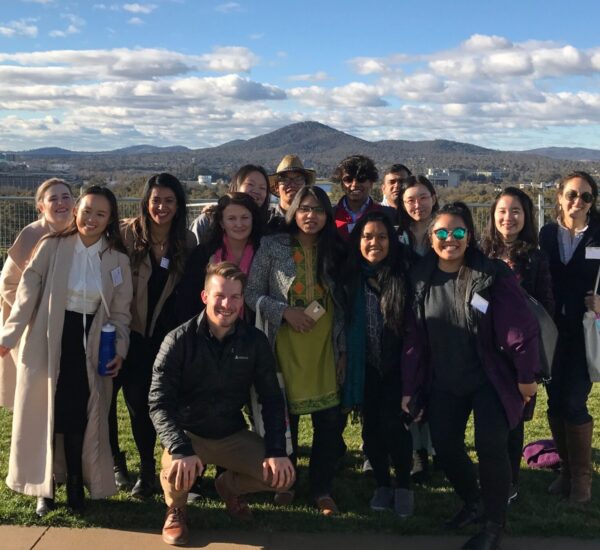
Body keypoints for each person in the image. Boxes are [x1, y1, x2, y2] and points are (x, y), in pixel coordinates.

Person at [401, 202, 539, 550]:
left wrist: (526, 376)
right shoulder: (421, 278)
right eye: (442, 233)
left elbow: (518, 328)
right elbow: (415, 339)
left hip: (489, 378)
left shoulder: (490, 274)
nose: (451, 239)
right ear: (431, 238)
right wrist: (410, 387)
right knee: (446, 446)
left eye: (459, 232)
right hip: (446, 378)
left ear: (470, 235)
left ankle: (494, 525)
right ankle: (474, 500)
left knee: (490, 446)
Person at [0, 186, 132, 516]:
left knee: (77, 417)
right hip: (47, 339)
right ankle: (45, 488)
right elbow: (25, 299)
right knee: (47, 413)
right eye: (87, 210)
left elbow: (121, 314)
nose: (91, 218)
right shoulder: (51, 247)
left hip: (90, 346)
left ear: (110, 219)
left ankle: (75, 481)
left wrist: (118, 349)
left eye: (100, 214)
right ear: (77, 210)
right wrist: (7, 338)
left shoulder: (117, 259)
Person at [149, 262, 295, 546]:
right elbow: (159, 402)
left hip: (231, 434)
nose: (227, 304)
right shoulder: (178, 340)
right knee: (177, 471)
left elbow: (272, 400)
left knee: (282, 477)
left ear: (243, 300)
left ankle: (228, 487)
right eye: (220, 296)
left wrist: (277, 450)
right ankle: (176, 509)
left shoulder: (255, 341)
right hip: (189, 435)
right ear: (205, 297)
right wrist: (179, 447)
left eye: (235, 297)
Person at [245, 185, 346, 515]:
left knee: (329, 423)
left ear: (327, 214)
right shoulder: (272, 246)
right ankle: (285, 482)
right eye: (304, 209)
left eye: (318, 209)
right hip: (283, 344)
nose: (310, 215)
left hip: (325, 346)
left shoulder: (336, 248)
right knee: (283, 420)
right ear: (292, 212)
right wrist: (284, 312)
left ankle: (322, 488)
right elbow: (251, 293)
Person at [113, 172, 195, 497]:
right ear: (146, 202)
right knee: (133, 403)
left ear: (178, 205)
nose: (161, 206)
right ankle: (143, 471)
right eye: (156, 200)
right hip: (128, 333)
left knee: (159, 404)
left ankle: (165, 468)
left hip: (164, 338)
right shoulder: (124, 234)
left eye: (169, 200)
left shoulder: (186, 242)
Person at [481, 187, 554, 503]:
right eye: (502, 210)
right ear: (493, 215)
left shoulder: (535, 258)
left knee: (513, 422)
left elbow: (545, 307)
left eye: (515, 211)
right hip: (484, 351)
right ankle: (490, 477)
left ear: (526, 217)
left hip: (520, 357)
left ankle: (509, 481)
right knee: (487, 421)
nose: (507, 217)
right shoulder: (480, 253)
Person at [342, 211, 414, 516]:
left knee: (395, 427)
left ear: (392, 241)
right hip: (364, 367)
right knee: (371, 429)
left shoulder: (403, 274)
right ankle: (383, 484)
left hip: (398, 366)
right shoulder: (349, 276)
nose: (374, 243)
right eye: (367, 236)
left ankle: (404, 485)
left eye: (382, 237)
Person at [539, 171, 600, 505]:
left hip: (584, 331)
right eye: (572, 194)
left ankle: (582, 477)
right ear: (559, 196)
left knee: (575, 401)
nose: (578, 202)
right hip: (551, 332)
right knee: (554, 400)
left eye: (586, 197)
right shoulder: (546, 234)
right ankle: (565, 469)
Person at [1, 178, 74, 412]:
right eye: (53, 198)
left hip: (70, 323)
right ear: (41, 206)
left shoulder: (81, 230)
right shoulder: (31, 234)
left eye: (66, 197)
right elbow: (8, 284)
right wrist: (36, 314)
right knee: (37, 398)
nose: (61, 203)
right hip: (32, 328)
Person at [175, 192, 262, 324]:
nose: (239, 224)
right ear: (221, 222)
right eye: (231, 218)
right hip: (209, 331)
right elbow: (187, 299)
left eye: (244, 217)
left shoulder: (264, 252)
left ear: (253, 219)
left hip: (254, 333)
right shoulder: (203, 254)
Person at [189, 164, 270, 244]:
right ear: (237, 186)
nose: (256, 191)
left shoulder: (269, 226)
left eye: (262, 188)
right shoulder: (207, 222)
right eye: (250, 184)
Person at [332, 155, 395, 240]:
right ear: (342, 184)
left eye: (361, 179)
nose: (355, 185)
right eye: (348, 179)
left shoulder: (388, 214)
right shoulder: (329, 216)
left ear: (371, 183)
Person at [267, 154, 316, 231]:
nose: (292, 184)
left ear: (305, 185)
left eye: (298, 179)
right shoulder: (265, 220)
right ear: (276, 187)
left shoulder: (313, 220)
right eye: (285, 180)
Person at [398, 175, 439, 257]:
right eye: (411, 200)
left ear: (433, 199)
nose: (417, 205)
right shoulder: (398, 234)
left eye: (423, 198)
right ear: (403, 205)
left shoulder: (443, 232)